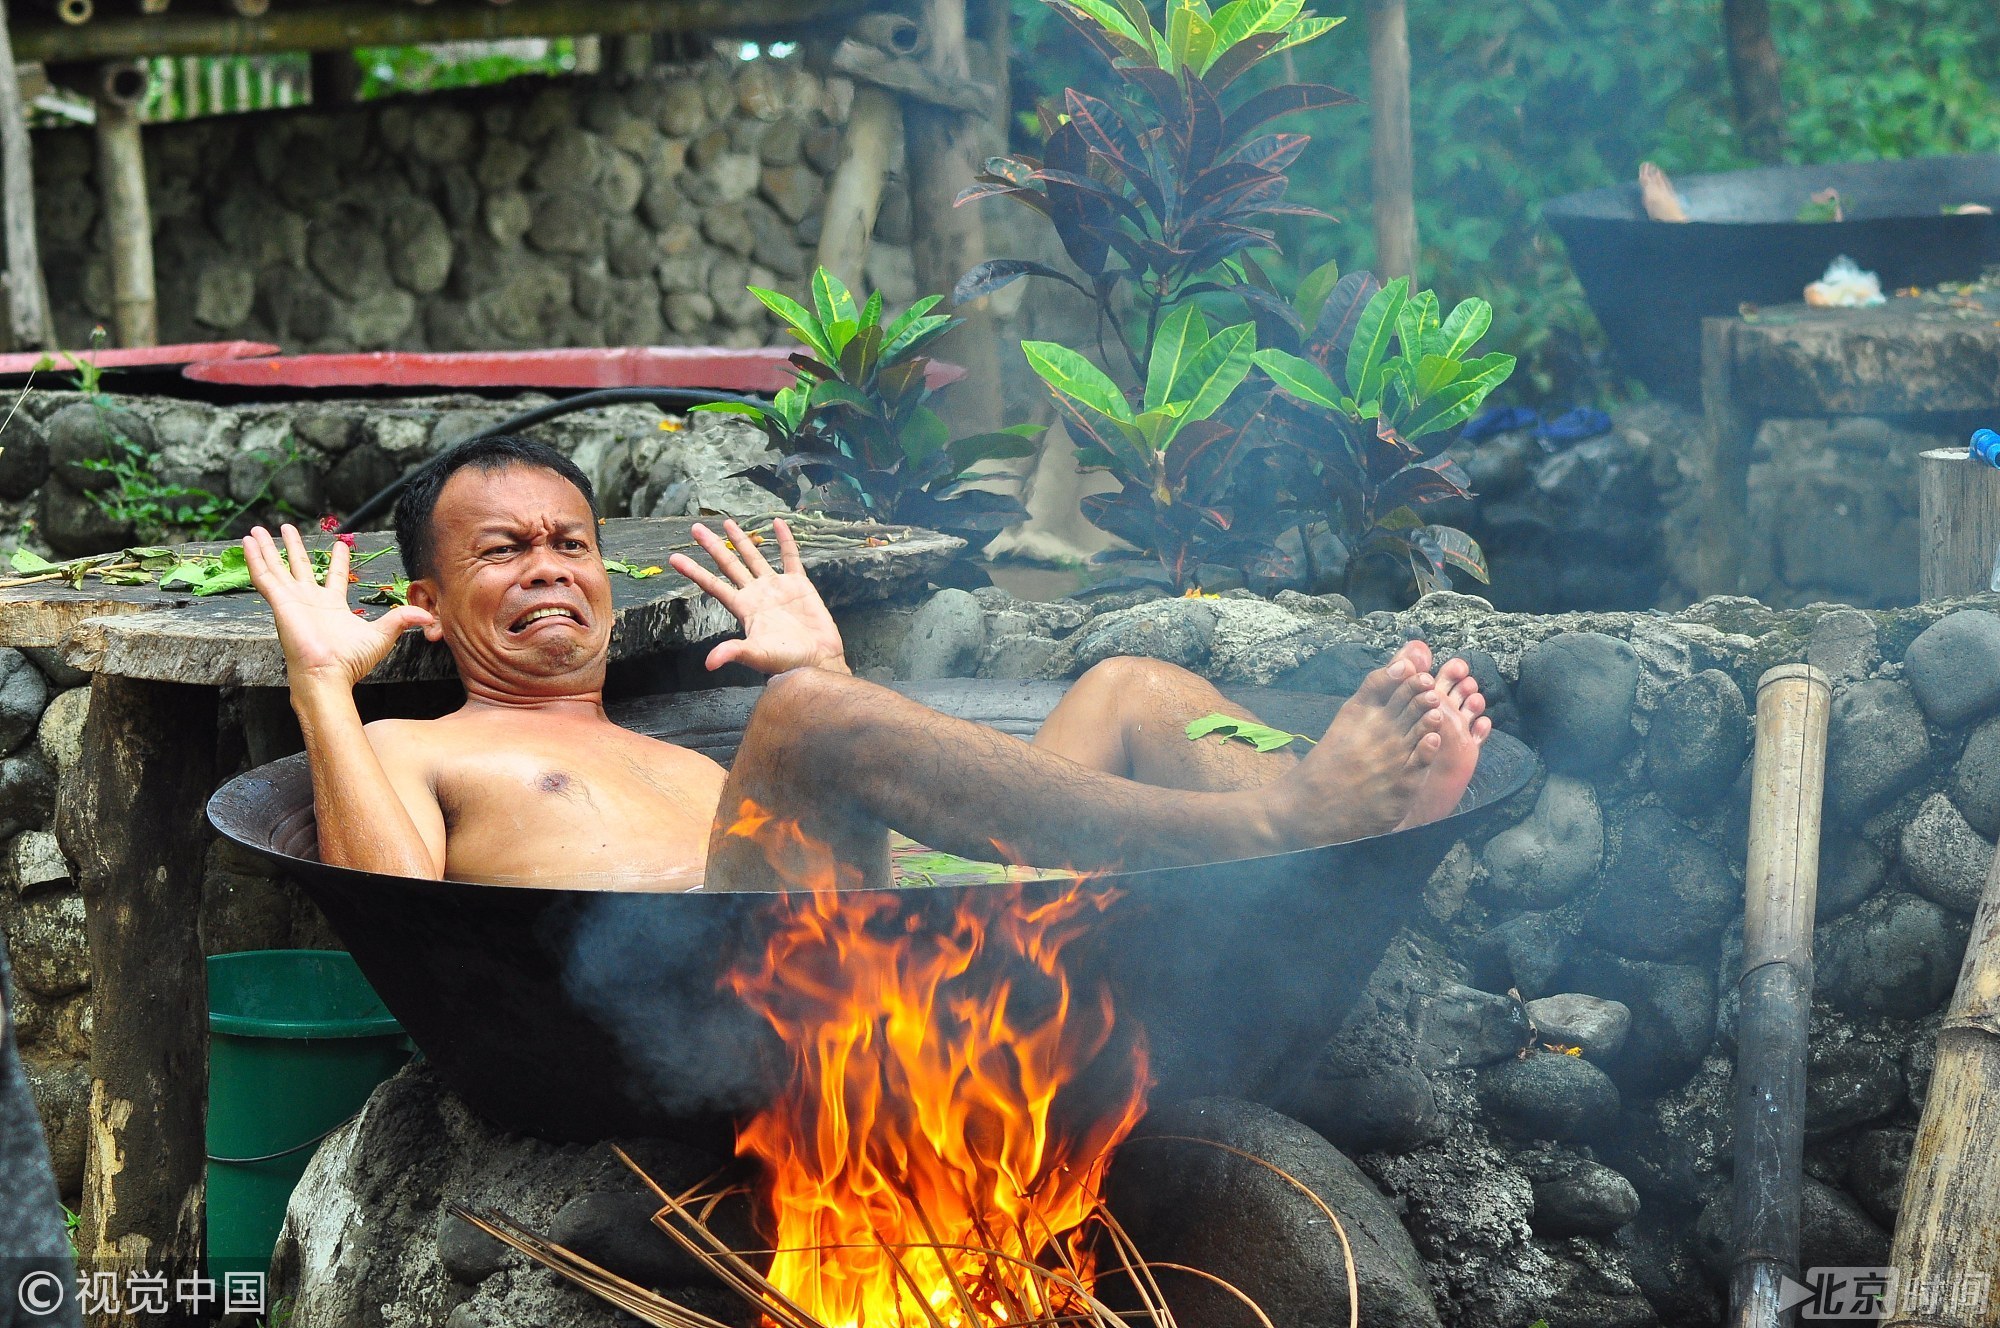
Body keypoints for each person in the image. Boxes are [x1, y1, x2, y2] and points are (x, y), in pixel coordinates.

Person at [245, 437, 1489, 892]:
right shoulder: (415, 748)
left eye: (571, 543)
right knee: (795, 716)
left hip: (894, 907)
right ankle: (1280, 820)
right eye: (503, 551)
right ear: (426, 599)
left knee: (1129, 684)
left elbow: (866, 841)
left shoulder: (658, 745)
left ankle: (1344, 862)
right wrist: (321, 684)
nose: (549, 568)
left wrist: (835, 674)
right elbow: (387, 894)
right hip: (708, 986)